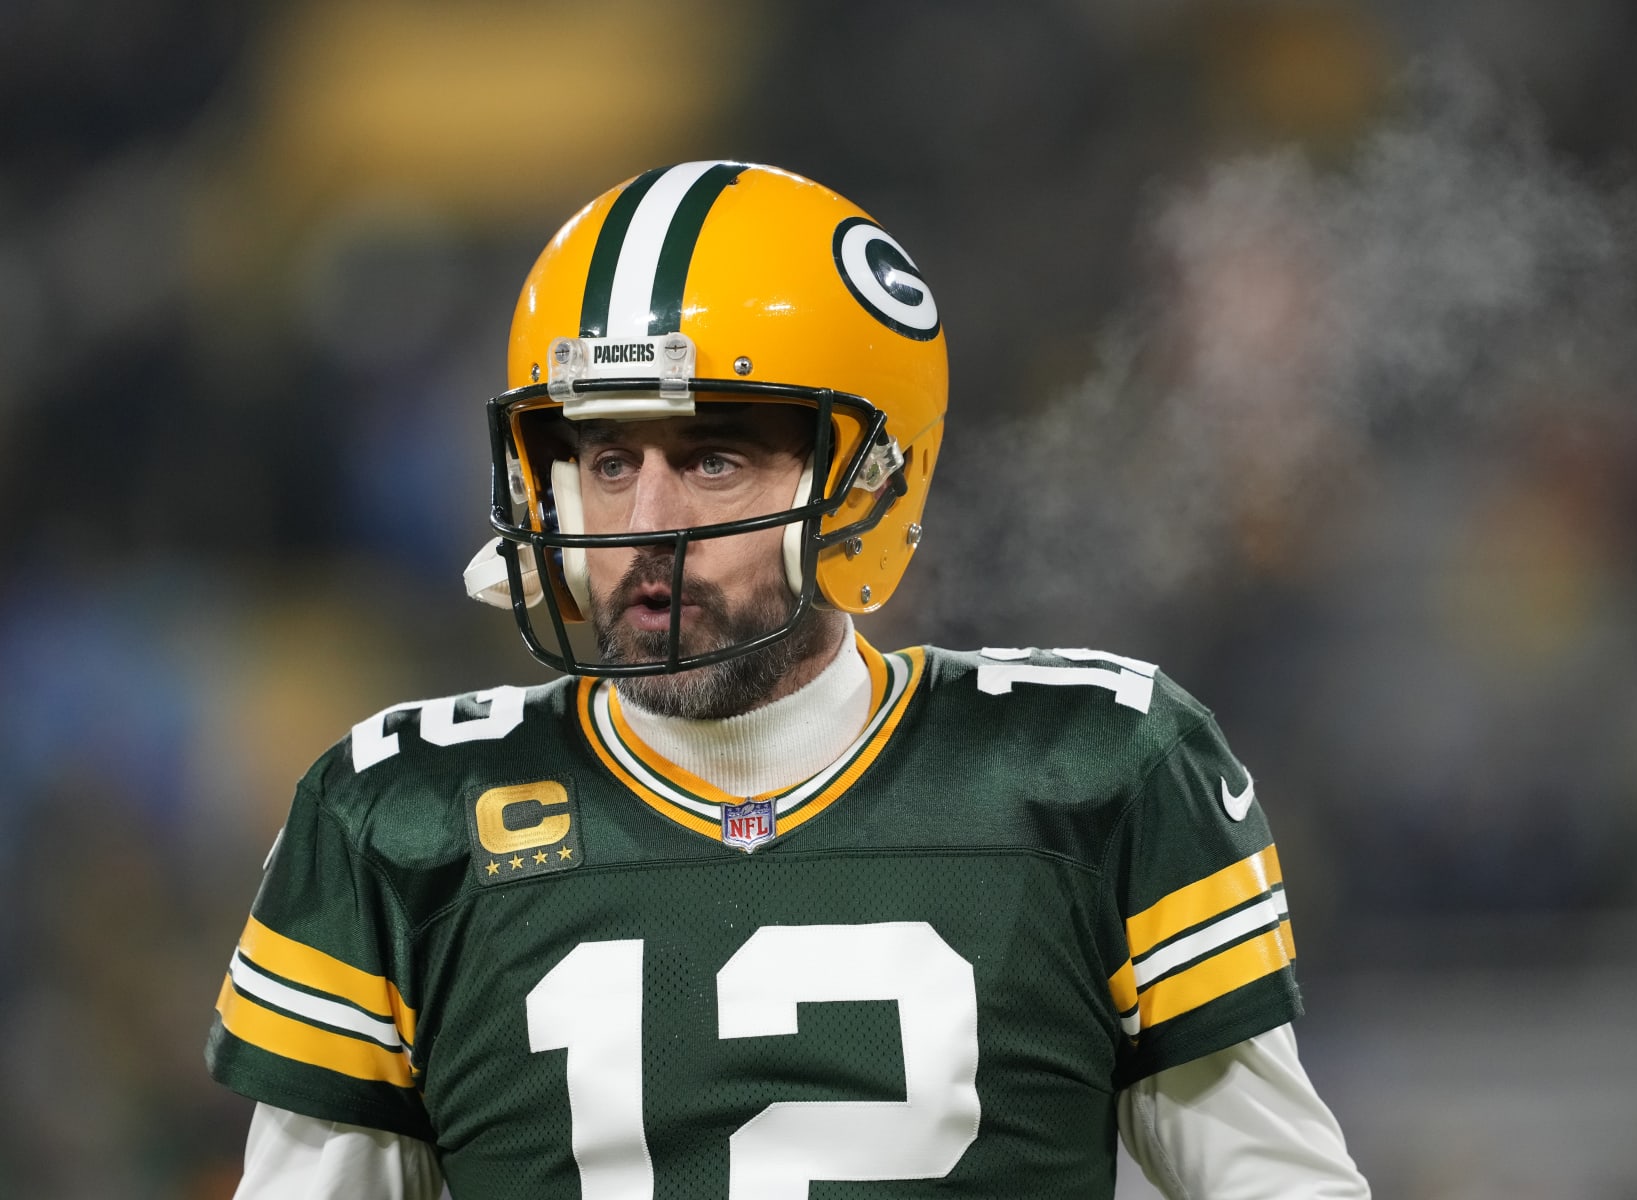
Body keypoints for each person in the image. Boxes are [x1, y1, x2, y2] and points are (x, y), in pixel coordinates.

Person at [205, 160, 1369, 1199]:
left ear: (868, 482)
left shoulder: (1098, 773)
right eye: (607, 460)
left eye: (712, 458)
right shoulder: (395, 821)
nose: (646, 527)